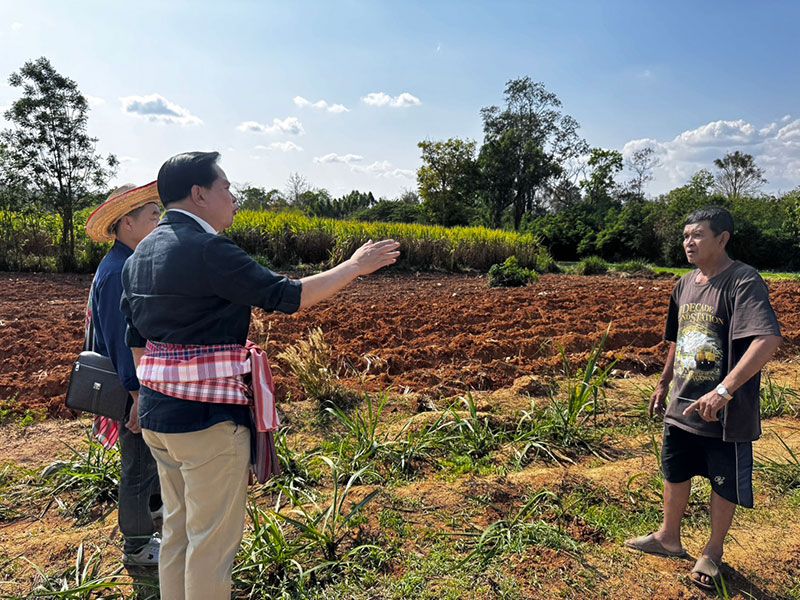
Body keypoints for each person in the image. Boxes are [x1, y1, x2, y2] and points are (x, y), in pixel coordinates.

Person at [120, 151, 400, 600]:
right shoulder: (209, 249)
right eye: (226, 188)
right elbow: (289, 295)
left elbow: (135, 337)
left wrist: (156, 389)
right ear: (198, 194)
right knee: (211, 544)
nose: (234, 197)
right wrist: (354, 266)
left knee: (178, 532)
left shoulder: (140, 255)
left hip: (158, 416)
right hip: (206, 420)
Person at [625, 206, 782, 590]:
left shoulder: (743, 281)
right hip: (682, 404)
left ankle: (712, 552)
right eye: (685, 236)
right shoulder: (684, 284)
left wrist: (724, 390)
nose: (688, 243)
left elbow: (767, 339)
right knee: (675, 470)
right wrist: (663, 382)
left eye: (697, 235)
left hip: (723, 412)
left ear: (722, 239)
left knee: (722, 481)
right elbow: (677, 340)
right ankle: (669, 537)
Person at [84, 183, 164, 567]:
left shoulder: (122, 263)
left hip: (133, 385)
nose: (159, 223)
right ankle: (137, 546)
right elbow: (120, 342)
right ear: (128, 223)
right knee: (138, 466)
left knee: (147, 461)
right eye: (153, 216)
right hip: (129, 388)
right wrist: (137, 397)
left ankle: (152, 518)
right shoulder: (120, 271)